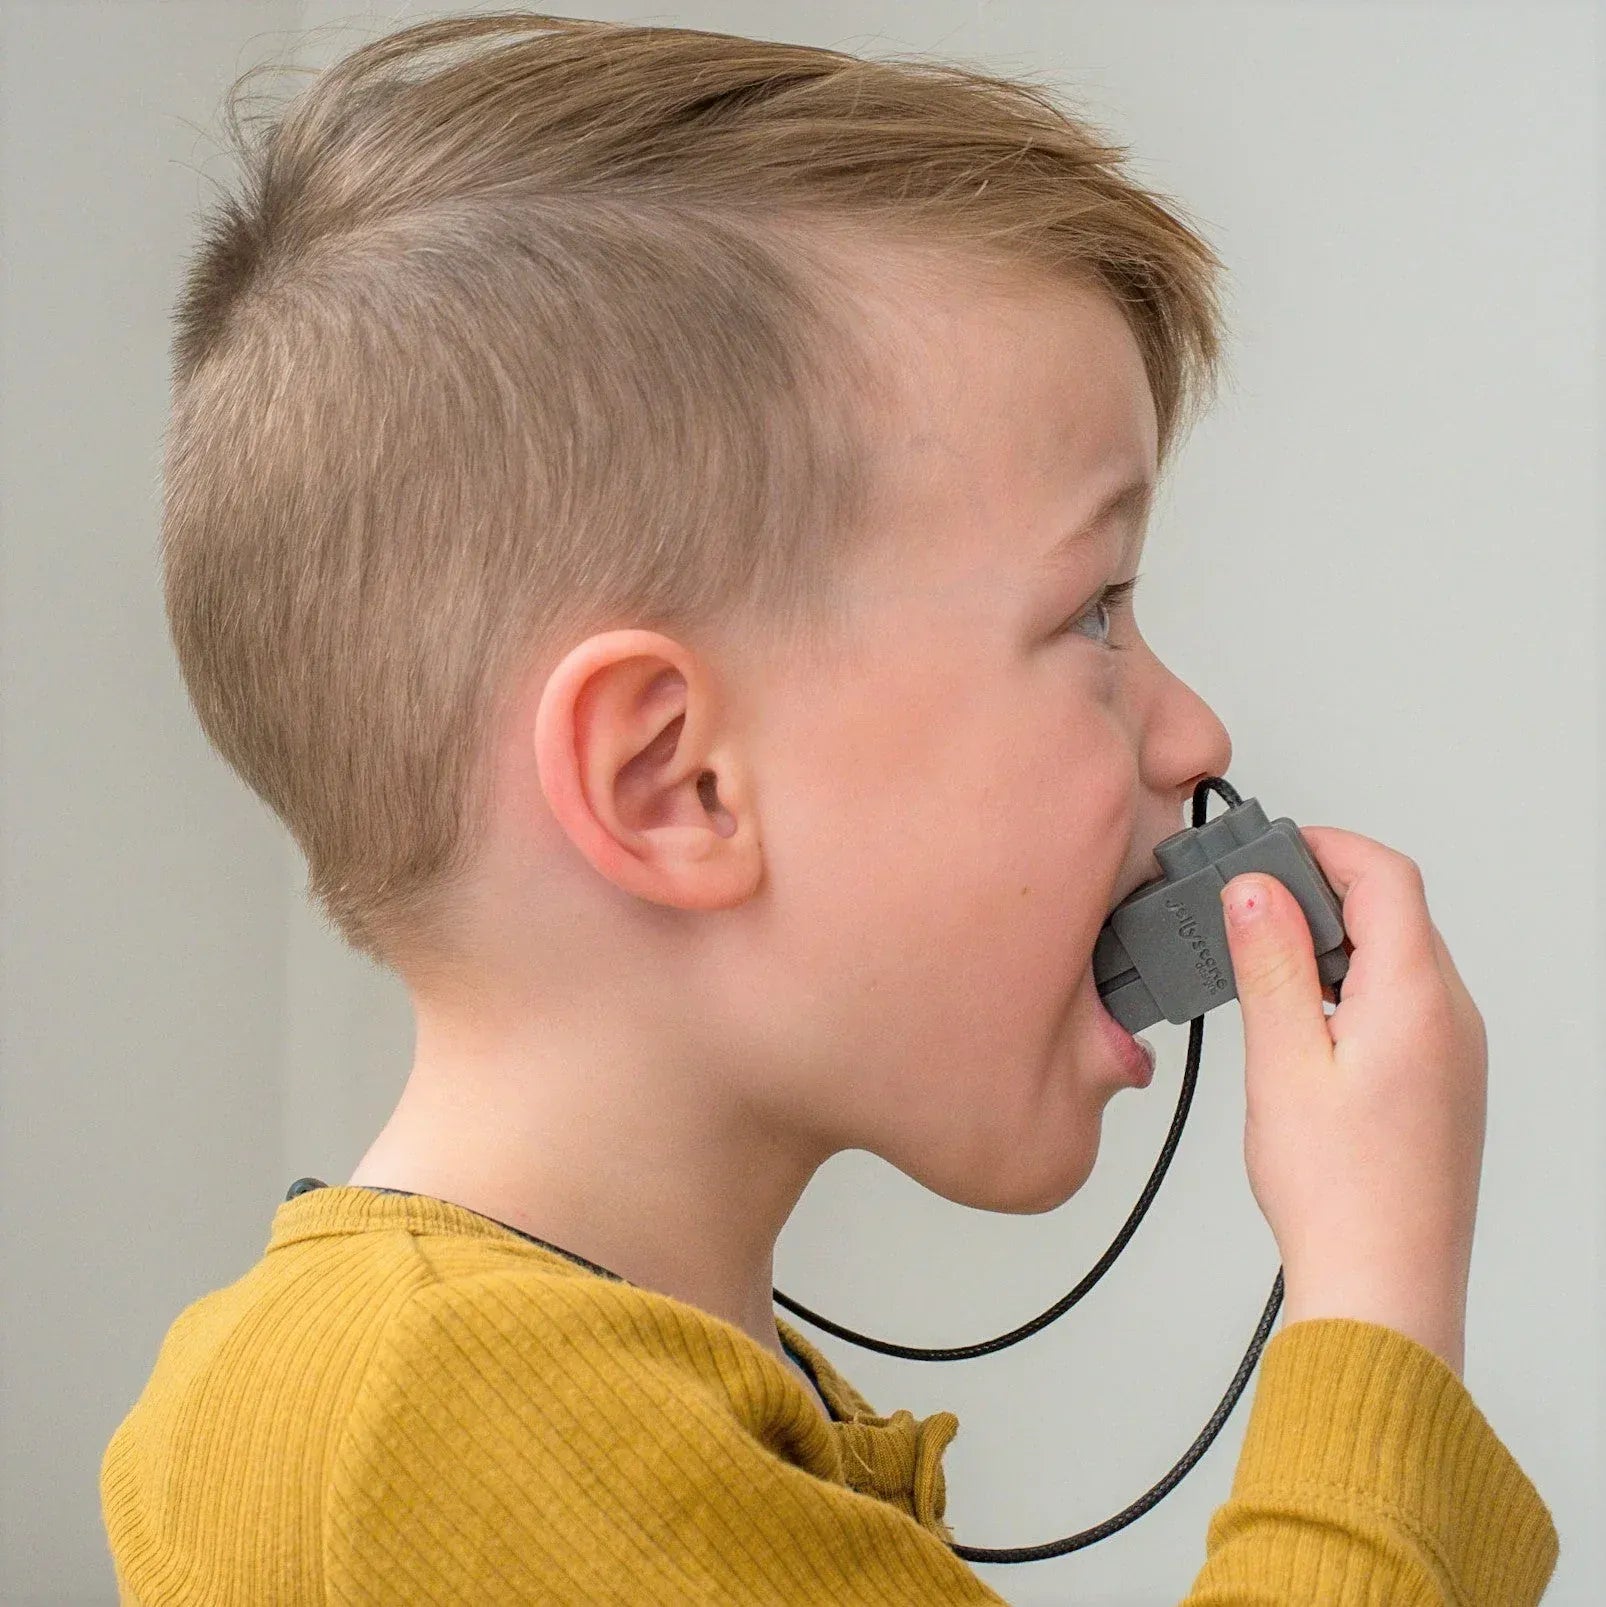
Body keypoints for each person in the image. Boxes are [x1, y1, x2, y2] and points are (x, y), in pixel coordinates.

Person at [101, 11, 1558, 1603]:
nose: (1193, 731)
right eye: (1092, 611)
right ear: (673, 781)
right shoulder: (432, 1427)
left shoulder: (575, 1396)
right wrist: (1374, 1314)